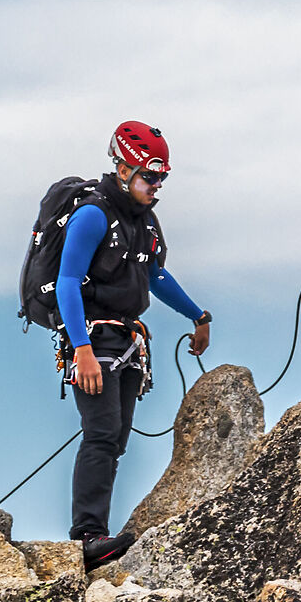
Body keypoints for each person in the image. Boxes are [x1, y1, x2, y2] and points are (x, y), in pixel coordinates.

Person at [56, 121, 210, 571]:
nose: (156, 186)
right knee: (101, 433)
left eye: (162, 178)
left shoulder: (145, 222)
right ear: (123, 169)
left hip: (127, 340)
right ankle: (87, 536)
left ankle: (96, 535)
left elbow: (155, 275)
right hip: (93, 339)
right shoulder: (93, 215)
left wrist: (198, 316)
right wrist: (82, 349)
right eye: (149, 176)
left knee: (117, 438)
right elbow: (67, 282)